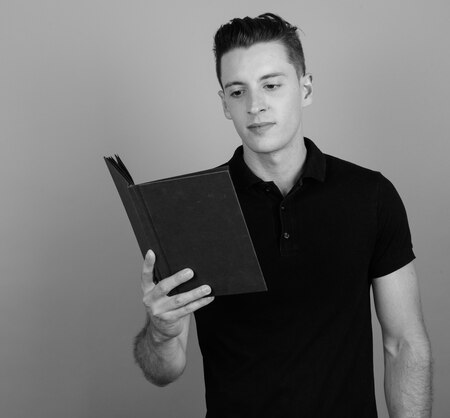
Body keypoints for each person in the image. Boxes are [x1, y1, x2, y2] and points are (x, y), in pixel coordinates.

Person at [133, 13, 432, 417]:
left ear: (305, 89)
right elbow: (163, 370)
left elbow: (404, 345)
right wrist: (161, 329)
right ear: (224, 103)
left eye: (272, 85)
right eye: (237, 92)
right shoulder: (192, 208)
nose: (256, 106)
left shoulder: (371, 195)